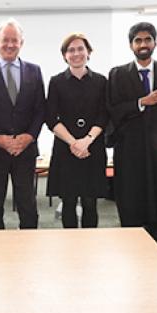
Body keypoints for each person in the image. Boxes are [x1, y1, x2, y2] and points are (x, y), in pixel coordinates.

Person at [107, 22, 157, 249]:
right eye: (138, 40)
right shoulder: (117, 74)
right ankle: (131, 254)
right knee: (131, 201)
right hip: (130, 149)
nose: (143, 44)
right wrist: (141, 102)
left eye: (148, 39)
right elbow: (113, 110)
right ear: (131, 45)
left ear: (155, 42)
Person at [0, 18, 45, 230]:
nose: (10, 45)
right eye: (5, 40)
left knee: (27, 203)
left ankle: (29, 248)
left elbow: (40, 109)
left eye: (15, 40)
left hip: (25, 150)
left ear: (22, 43)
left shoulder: (34, 71)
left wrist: (29, 136)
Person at [45, 33, 109, 228]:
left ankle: (90, 249)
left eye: (80, 48)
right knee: (68, 202)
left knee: (90, 203)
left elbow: (104, 115)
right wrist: (74, 142)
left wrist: (86, 141)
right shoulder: (56, 82)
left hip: (92, 148)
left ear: (88, 52)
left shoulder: (101, 81)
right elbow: (50, 118)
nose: (76, 53)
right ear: (65, 55)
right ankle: (70, 250)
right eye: (70, 50)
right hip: (66, 149)